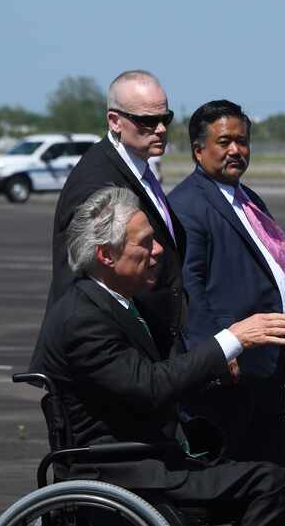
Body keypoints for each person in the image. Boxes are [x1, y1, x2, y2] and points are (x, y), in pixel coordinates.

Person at [30, 186, 285, 526]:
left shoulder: (114, 302)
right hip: (125, 469)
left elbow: (146, 375)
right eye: (145, 243)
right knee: (277, 486)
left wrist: (218, 371)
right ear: (106, 255)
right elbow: (149, 385)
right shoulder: (84, 318)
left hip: (145, 456)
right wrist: (232, 339)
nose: (158, 251)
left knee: (270, 476)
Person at [168, 100, 285, 468]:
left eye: (242, 142)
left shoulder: (246, 198)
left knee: (273, 471)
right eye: (224, 142)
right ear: (198, 149)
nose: (235, 151)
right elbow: (188, 286)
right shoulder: (188, 204)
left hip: (264, 366)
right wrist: (216, 352)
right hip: (230, 372)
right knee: (239, 471)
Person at [45, 70, 185, 358]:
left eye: (165, 119)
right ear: (115, 121)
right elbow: (83, 275)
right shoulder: (97, 183)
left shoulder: (141, 169)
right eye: (147, 121)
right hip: (115, 353)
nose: (160, 129)